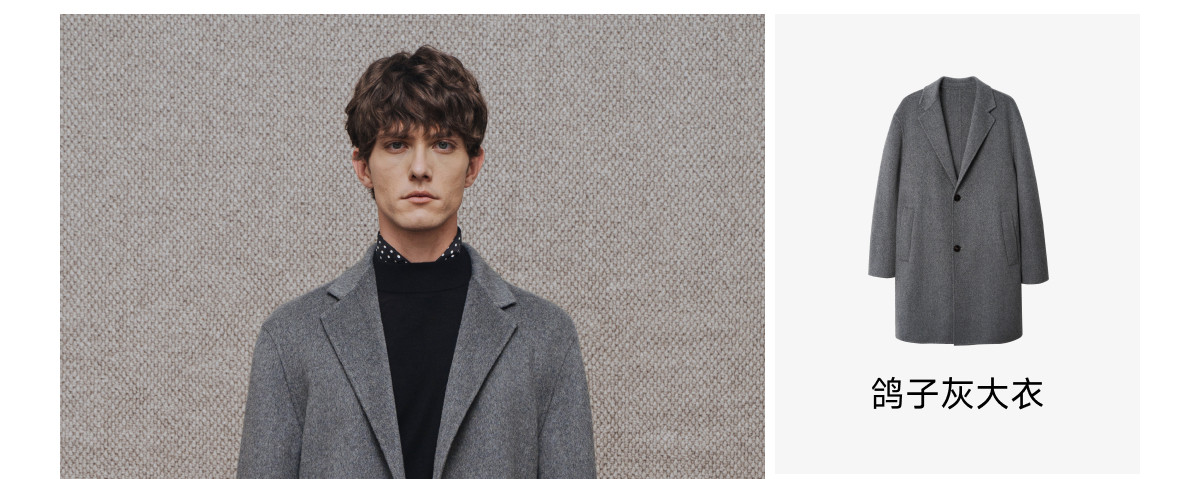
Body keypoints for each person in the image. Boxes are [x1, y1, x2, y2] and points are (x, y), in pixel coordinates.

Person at [236, 46, 597, 479]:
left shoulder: (547, 337)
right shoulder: (290, 337)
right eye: (397, 144)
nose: (420, 168)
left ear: (473, 165)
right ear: (363, 167)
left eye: (443, 144)